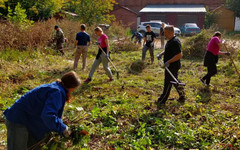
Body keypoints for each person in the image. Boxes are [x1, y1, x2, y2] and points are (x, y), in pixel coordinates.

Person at [4, 71, 81, 150]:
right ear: (71, 87)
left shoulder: (56, 88)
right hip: (18, 120)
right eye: (74, 89)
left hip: (28, 121)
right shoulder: (56, 92)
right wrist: (62, 128)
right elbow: (48, 115)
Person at [156, 25, 185, 109]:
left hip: (172, 66)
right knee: (175, 81)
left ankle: (162, 100)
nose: (164, 34)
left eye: (165, 33)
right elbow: (168, 50)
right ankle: (182, 96)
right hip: (169, 66)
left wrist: (168, 61)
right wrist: (161, 54)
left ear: (170, 33)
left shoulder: (175, 42)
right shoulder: (170, 40)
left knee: (168, 83)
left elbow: (179, 55)